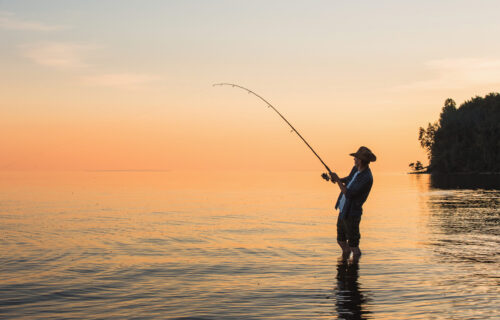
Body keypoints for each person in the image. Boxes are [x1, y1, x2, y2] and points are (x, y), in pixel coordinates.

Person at [322, 146, 376, 260]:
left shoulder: (367, 177)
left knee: (353, 246)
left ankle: (353, 271)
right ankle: (344, 264)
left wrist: (337, 180)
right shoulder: (356, 169)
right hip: (343, 210)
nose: (354, 159)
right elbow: (348, 179)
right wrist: (337, 179)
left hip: (352, 214)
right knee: (340, 240)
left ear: (360, 160)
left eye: (356, 158)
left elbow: (349, 194)